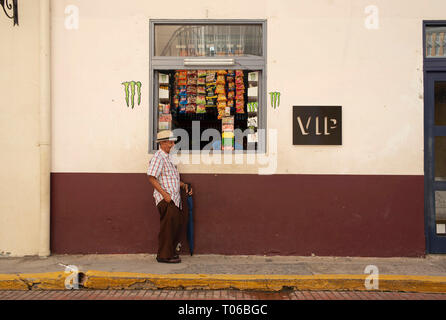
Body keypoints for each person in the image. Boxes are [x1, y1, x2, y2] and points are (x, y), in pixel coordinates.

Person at [147, 130, 193, 263]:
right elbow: (151, 177)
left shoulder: (169, 158)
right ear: (162, 143)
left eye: (173, 142)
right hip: (167, 199)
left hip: (175, 199)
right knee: (168, 228)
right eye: (170, 142)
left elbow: (171, 179)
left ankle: (170, 252)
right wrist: (165, 195)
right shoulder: (158, 157)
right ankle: (163, 255)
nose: (173, 144)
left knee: (173, 227)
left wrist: (184, 186)